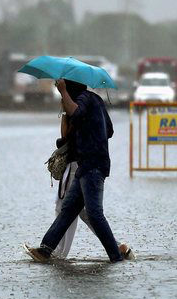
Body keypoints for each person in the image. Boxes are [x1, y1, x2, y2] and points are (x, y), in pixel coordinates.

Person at [25, 79, 125, 263]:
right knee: (68, 210)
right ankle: (45, 250)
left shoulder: (84, 99)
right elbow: (109, 130)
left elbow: (76, 113)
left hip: (92, 165)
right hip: (87, 165)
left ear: (71, 87)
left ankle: (116, 255)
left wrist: (63, 92)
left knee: (94, 214)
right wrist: (89, 128)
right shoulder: (95, 100)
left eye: (65, 87)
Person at [52, 112, 134, 260]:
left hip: (77, 164)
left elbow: (65, 135)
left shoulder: (76, 106)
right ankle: (116, 247)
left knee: (66, 208)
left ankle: (57, 252)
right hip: (82, 163)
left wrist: (64, 113)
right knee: (83, 211)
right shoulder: (88, 106)